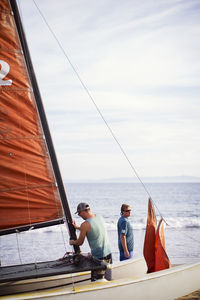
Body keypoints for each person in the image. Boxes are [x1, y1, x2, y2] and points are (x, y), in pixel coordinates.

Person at [70, 202, 112, 281]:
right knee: (107, 279)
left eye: (79, 214)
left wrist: (72, 242)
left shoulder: (85, 224)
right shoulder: (99, 217)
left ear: (82, 212)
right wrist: (78, 227)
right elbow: (93, 229)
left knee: (96, 282)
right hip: (108, 253)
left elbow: (80, 242)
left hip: (98, 258)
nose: (79, 216)